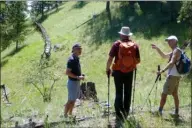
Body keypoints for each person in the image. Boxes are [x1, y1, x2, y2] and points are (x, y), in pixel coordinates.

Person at [106, 26, 140, 121]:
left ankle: (118, 114)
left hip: (118, 72)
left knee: (119, 92)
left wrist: (108, 69)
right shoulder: (134, 45)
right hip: (130, 72)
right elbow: (138, 60)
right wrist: (129, 65)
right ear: (128, 35)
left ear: (121, 34)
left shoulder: (116, 44)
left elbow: (110, 59)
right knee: (128, 91)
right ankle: (126, 113)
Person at [151, 35, 181, 116]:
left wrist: (162, 71)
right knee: (175, 94)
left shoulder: (176, 51)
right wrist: (157, 48)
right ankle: (176, 112)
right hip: (176, 76)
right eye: (168, 41)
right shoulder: (175, 51)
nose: (168, 42)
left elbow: (171, 63)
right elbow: (164, 55)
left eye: (170, 41)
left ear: (175, 41)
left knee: (164, 93)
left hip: (172, 76)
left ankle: (159, 111)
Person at [64, 43, 85, 118]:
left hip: (76, 82)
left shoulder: (76, 58)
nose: (80, 50)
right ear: (73, 50)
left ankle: (70, 114)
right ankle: (65, 115)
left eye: (81, 49)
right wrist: (77, 77)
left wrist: (80, 75)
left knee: (73, 100)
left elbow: (74, 71)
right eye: (78, 49)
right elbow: (67, 72)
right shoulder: (71, 60)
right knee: (70, 100)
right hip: (72, 83)